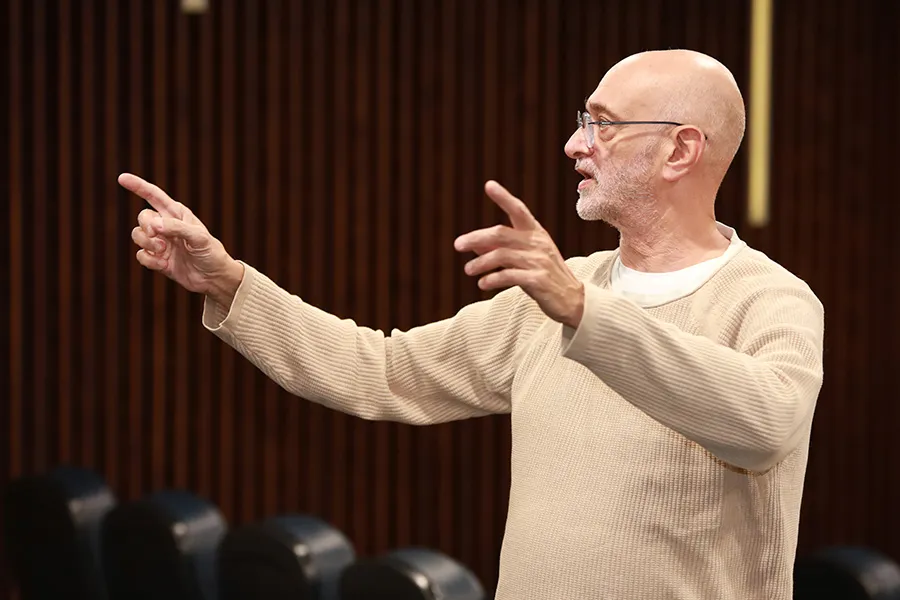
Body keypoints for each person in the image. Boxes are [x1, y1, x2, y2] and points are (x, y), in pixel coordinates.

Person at [121, 49, 824, 599]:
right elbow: (384, 371)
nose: (576, 145)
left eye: (601, 124)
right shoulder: (559, 289)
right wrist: (231, 282)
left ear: (680, 150)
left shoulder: (769, 300)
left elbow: (762, 425)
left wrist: (585, 313)